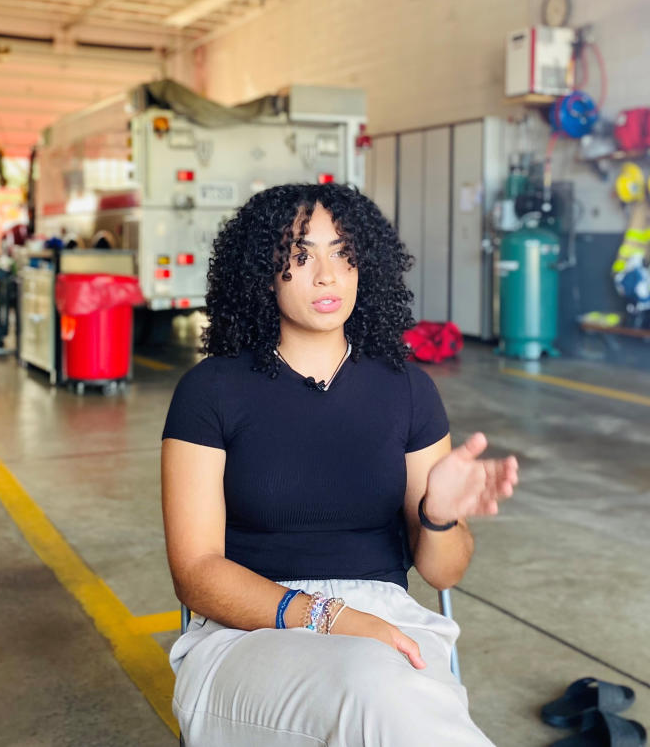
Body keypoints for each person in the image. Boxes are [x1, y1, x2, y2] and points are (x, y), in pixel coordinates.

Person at [161, 183, 519, 746]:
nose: (327, 275)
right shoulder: (210, 392)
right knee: (377, 689)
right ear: (264, 271)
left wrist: (439, 515)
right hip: (249, 631)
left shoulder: (408, 390)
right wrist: (337, 621)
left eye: (342, 252)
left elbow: (443, 574)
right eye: (300, 256)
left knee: (385, 691)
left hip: (388, 621)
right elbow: (197, 573)